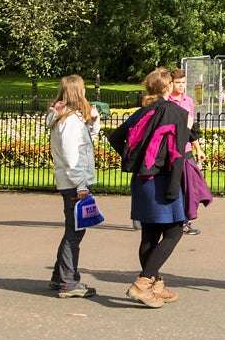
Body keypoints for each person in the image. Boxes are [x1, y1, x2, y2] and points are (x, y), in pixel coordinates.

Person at [106, 66, 197, 308]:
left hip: (142, 179)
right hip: (165, 178)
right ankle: (143, 282)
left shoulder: (143, 111)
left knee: (149, 233)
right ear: (168, 87)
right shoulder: (175, 112)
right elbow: (180, 149)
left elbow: (115, 137)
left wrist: (132, 160)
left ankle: (155, 283)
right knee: (175, 231)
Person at [46, 76, 101, 297]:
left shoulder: (67, 117)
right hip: (73, 183)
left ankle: (60, 277)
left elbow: (88, 140)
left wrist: (93, 120)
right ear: (78, 92)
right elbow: (72, 156)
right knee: (74, 232)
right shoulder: (68, 121)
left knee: (74, 229)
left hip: (70, 181)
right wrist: (81, 184)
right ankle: (68, 281)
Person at [167, 69, 207, 236]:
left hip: (186, 150)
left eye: (183, 82)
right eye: (178, 83)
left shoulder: (188, 101)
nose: (181, 86)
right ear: (171, 83)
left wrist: (198, 149)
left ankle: (185, 221)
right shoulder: (166, 102)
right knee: (173, 186)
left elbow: (192, 128)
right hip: (171, 150)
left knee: (189, 186)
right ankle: (172, 220)